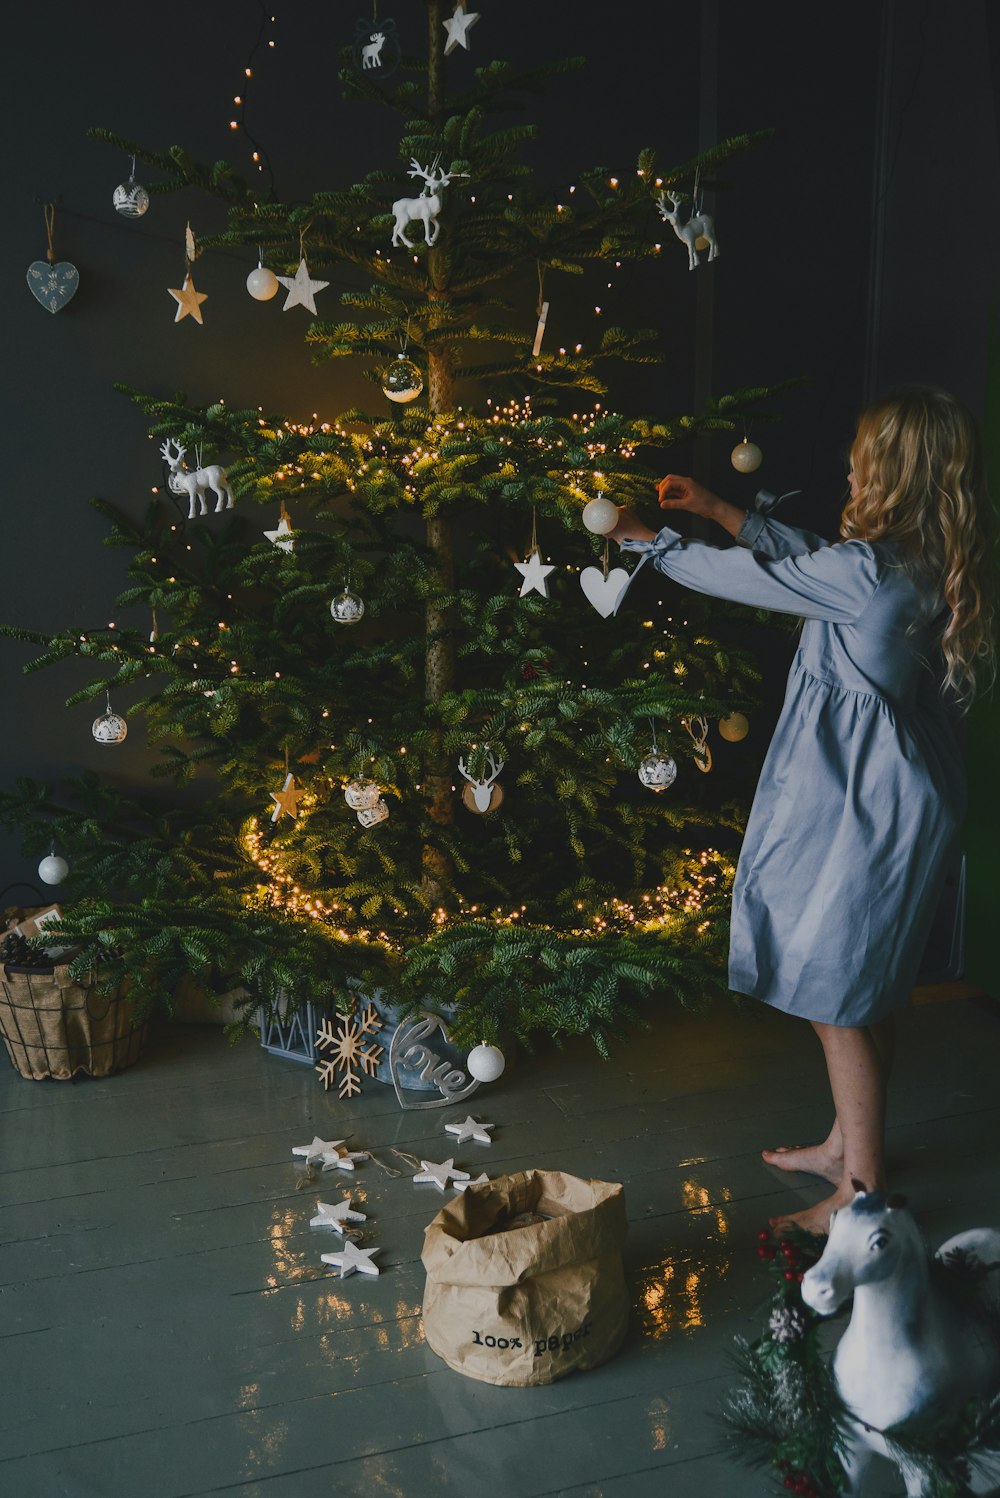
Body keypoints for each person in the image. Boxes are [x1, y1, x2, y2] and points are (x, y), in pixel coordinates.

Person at [609, 387, 997, 1234]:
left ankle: (860, 1195)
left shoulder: (867, 572)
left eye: (861, 453)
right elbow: (810, 560)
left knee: (836, 994)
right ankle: (846, 1147)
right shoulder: (912, 557)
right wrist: (722, 509)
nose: (848, 465)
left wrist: (654, 546)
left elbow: (761, 581)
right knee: (864, 984)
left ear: (890, 468)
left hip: (862, 797)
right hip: (899, 789)